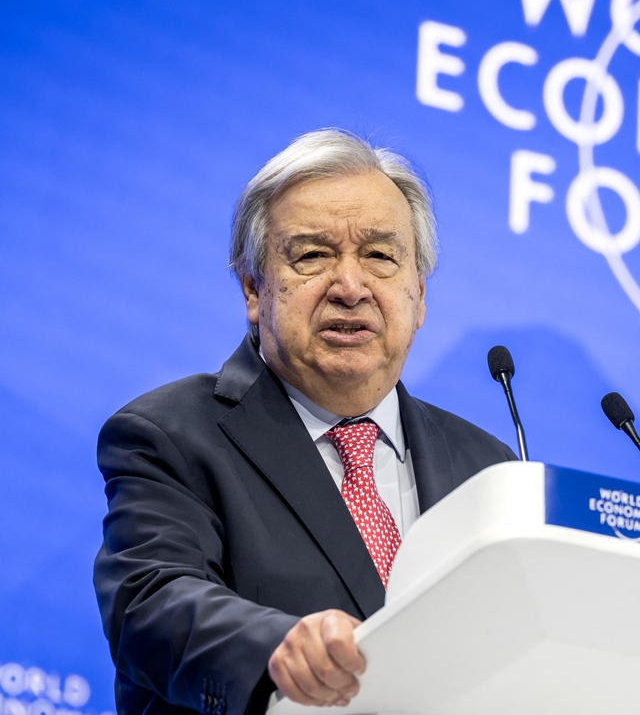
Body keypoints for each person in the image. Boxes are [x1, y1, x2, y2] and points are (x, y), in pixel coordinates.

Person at [93, 129, 517, 715]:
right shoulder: (170, 434)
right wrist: (276, 647)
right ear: (253, 288)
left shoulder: (490, 469)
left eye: (380, 257)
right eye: (313, 255)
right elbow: (151, 603)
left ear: (419, 295)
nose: (350, 287)